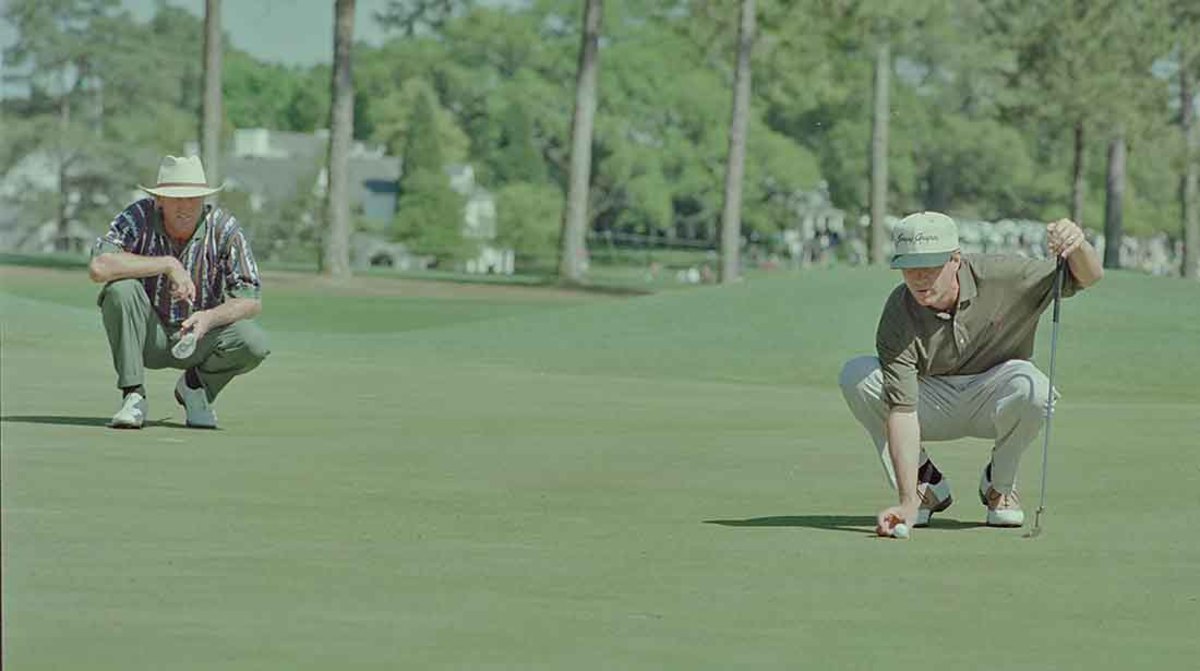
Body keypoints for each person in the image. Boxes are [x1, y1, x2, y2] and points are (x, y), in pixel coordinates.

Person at [838, 211, 1103, 536]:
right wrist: (906, 502)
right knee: (857, 375)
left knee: (1035, 388)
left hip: (994, 394)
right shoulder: (899, 311)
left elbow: (1088, 276)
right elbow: (903, 411)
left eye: (930, 266)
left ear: (955, 260)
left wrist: (1078, 245)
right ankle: (924, 488)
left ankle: (999, 486)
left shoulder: (1003, 276)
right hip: (930, 400)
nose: (919, 278)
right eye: (909, 267)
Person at [88, 155, 269, 429]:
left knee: (253, 342)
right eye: (175, 199)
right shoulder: (138, 217)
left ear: (204, 199)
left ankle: (194, 387)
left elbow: (251, 299)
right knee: (120, 290)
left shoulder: (224, 228)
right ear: (159, 199)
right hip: (147, 336)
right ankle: (133, 396)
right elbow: (99, 267)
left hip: (199, 337)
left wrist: (209, 318)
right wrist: (168, 264)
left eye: (192, 199)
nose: (184, 207)